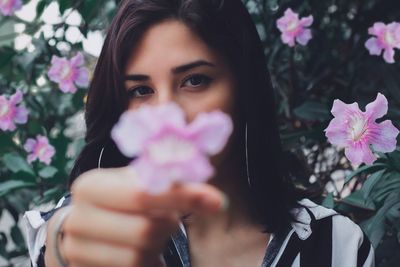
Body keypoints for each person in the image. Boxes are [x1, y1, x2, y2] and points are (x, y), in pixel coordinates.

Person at [23, 0, 375, 266]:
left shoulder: (339, 245)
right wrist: (61, 246)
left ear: (243, 90)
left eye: (195, 80)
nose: (168, 115)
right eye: (141, 91)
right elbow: (67, 233)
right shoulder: (98, 224)